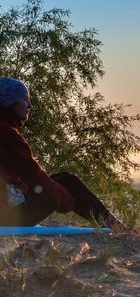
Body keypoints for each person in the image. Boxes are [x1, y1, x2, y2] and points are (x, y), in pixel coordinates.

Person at [0, 76, 125, 230]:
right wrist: (63, 198)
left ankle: (111, 222)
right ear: (10, 102)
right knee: (68, 184)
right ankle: (115, 225)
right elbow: (33, 175)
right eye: (25, 99)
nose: (30, 105)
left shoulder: (5, 129)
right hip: (7, 219)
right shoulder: (5, 132)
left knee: (64, 178)